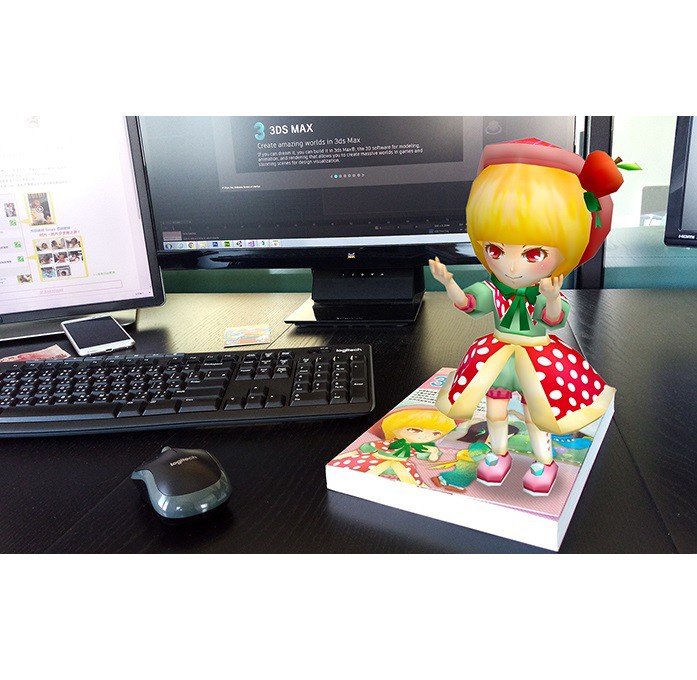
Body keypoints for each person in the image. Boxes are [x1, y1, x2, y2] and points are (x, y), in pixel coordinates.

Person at [429, 138, 631, 496]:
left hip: (538, 359)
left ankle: (544, 462)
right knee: (495, 412)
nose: (511, 266)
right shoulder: (493, 288)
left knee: (537, 417)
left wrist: (551, 298)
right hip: (497, 356)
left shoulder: (543, 291)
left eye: (533, 253)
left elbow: (554, 319)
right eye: (495, 249)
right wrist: (449, 284)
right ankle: (498, 454)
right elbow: (470, 304)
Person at [329, 408, 456, 486]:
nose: (424, 436)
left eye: (435, 433)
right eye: (415, 430)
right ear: (394, 429)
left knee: (412, 483)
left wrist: (433, 451)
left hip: (403, 465)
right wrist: (341, 457)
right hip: (375, 460)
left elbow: (432, 459)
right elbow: (360, 451)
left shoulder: (419, 448)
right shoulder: (388, 443)